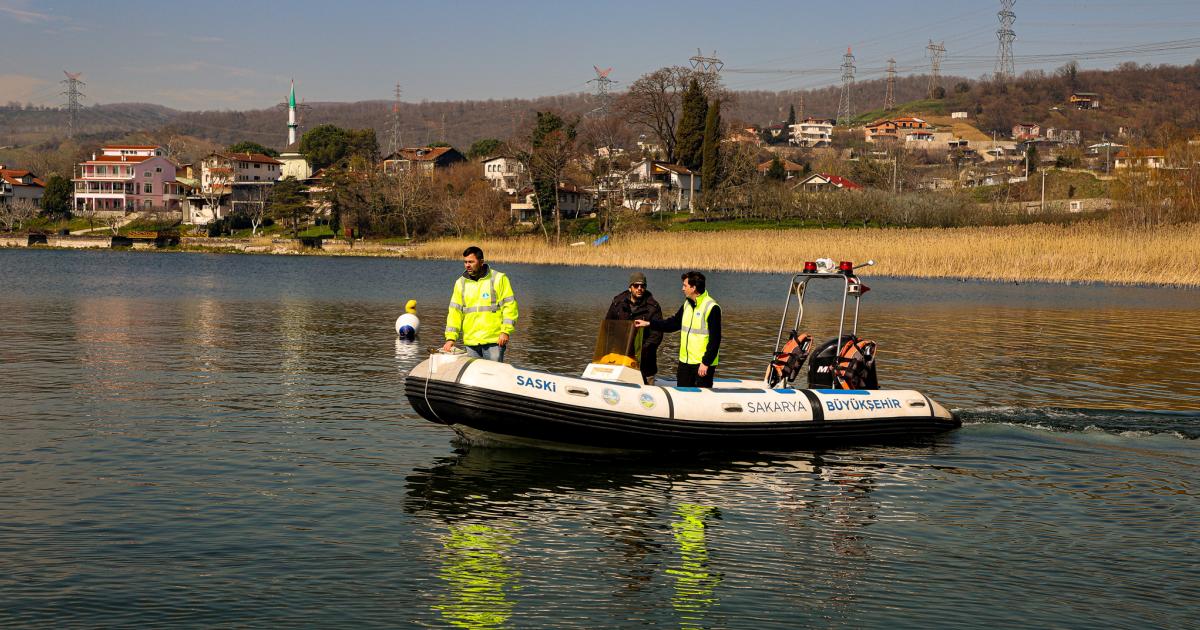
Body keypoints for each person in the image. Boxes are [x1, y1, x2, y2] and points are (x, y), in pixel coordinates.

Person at [634, 271, 721, 388]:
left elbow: (715, 339)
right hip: (685, 362)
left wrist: (706, 362)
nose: (682, 289)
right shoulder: (687, 304)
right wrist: (649, 323)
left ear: (693, 287)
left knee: (700, 400)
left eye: (685, 286)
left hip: (702, 364)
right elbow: (673, 324)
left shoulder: (711, 307)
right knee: (683, 396)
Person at [441, 246, 518, 362]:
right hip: (471, 342)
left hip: (494, 341)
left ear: (481, 262)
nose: (467, 265)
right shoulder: (460, 283)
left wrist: (505, 331)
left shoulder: (498, 278)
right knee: (473, 379)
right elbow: (455, 312)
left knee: (493, 376)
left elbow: (509, 306)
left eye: (471, 262)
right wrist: (451, 338)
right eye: (465, 262)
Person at [605, 271, 663, 384]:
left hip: (645, 361)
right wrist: (614, 347)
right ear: (630, 287)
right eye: (636, 286)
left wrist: (642, 351)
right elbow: (608, 327)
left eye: (643, 286)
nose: (639, 288)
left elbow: (657, 335)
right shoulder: (618, 303)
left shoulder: (653, 307)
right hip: (621, 357)